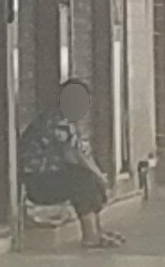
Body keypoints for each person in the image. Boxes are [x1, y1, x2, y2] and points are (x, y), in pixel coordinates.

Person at [19, 79, 124, 249]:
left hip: (51, 177)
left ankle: (97, 231)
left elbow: (81, 154)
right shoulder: (54, 120)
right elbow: (72, 155)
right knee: (81, 180)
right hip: (37, 182)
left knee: (87, 179)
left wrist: (98, 175)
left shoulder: (68, 122)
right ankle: (90, 236)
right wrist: (97, 174)